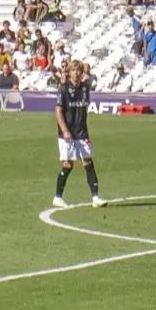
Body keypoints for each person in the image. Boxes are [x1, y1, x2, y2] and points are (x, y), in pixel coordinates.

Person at [52, 60, 106, 208]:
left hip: (82, 132)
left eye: (78, 71)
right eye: (73, 70)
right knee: (68, 164)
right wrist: (64, 130)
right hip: (68, 133)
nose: (76, 73)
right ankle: (58, 196)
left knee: (88, 162)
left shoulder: (84, 88)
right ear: (69, 72)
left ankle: (95, 197)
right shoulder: (63, 89)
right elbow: (58, 110)